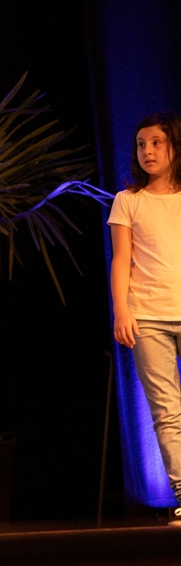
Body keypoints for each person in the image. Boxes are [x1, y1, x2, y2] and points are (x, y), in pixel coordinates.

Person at [109, 111, 181, 525]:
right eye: (141, 144)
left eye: (156, 143)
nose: (148, 151)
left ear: (174, 146)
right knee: (167, 412)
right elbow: (121, 259)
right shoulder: (129, 200)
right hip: (149, 317)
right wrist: (122, 309)